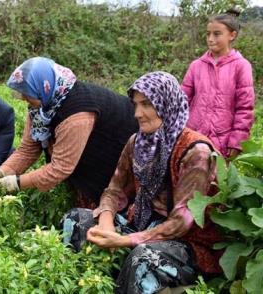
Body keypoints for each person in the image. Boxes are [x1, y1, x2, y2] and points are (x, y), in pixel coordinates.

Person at [61, 72, 222, 293]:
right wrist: (106, 223)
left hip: (189, 242)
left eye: (146, 104)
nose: (137, 113)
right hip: (143, 223)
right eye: (135, 105)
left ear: (166, 104)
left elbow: (182, 223)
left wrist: (123, 241)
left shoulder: (196, 152)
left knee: (143, 257)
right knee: (77, 220)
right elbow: (113, 189)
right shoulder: (137, 142)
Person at [0, 57, 137, 208]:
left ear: (44, 87)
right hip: (86, 150)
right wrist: (3, 170)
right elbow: (28, 149)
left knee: (111, 206)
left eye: (27, 93)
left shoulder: (77, 113)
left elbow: (61, 167)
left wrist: (18, 183)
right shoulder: (41, 107)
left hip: (118, 151)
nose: (23, 98)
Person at [181, 8, 255, 158]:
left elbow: (244, 108)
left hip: (221, 139)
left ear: (232, 35)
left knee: (215, 180)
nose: (210, 39)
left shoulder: (241, 66)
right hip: (193, 136)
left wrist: (236, 142)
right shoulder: (196, 65)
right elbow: (182, 101)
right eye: (208, 34)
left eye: (217, 34)